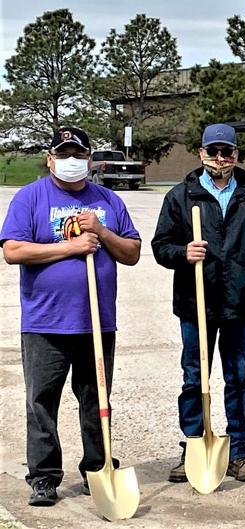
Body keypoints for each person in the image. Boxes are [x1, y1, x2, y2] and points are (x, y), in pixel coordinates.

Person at [1, 126, 141, 506]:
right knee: (42, 401)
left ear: (90, 160)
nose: (70, 162)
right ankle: (44, 476)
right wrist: (71, 246)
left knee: (96, 398)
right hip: (45, 323)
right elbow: (13, 250)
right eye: (63, 154)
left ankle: (97, 466)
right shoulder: (30, 198)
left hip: (96, 322)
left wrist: (102, 232)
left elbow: (131, 252)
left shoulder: (108, 200)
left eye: (77, 154)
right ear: (50, 159)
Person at [152, 123, 245, 482]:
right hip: (196, 304)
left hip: (240, 302)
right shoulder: (181, 196)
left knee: (239, 377)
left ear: (237, 155)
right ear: (201, 153)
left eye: (228, 152)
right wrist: (182, 252)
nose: (221, 159)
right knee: (194, 377)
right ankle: (195, 444)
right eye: (214, 152)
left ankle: (239, 450)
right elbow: (160, 246)